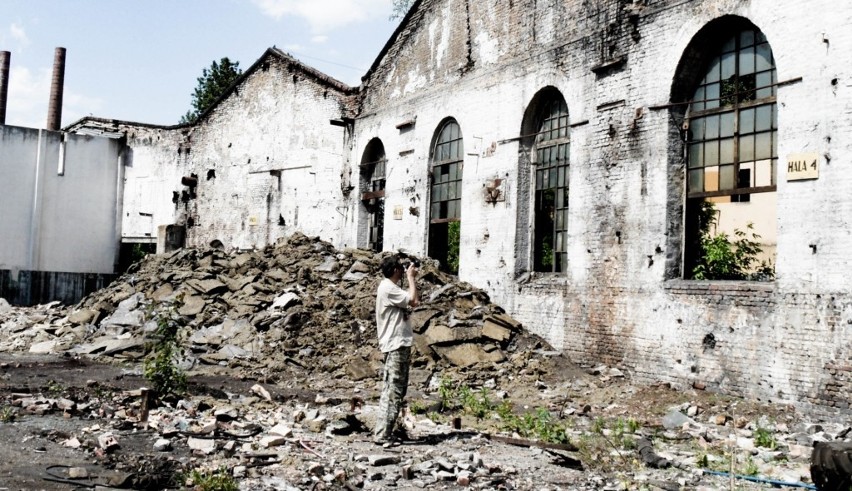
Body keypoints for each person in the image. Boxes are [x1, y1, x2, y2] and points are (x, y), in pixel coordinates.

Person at [374, 254, 419, 444]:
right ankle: (383, 434)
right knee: (393, 390)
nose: (403, 272)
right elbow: (413, 300)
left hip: (397, 343)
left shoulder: (390, 288)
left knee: (394, 389)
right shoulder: (388, 288)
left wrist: (411, 280)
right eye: (401, 269)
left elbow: (413, 299)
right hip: (395, 344)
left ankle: (385, 432)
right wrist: (411, 278)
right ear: (394, 271)